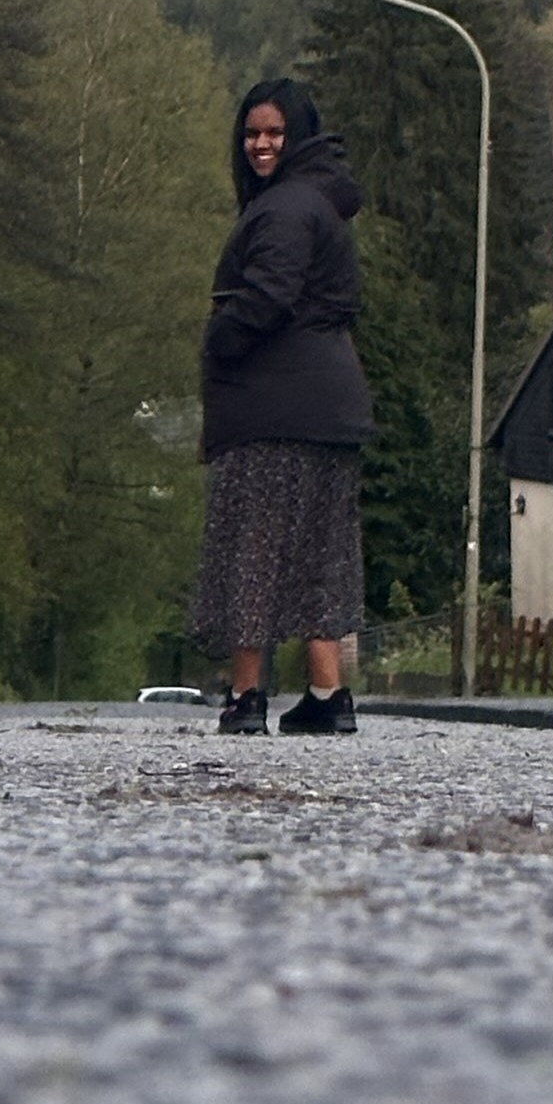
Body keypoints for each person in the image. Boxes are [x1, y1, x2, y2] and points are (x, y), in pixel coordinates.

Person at [192, 80, 373, 737]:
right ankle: (327, 694)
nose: (261, 144)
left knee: (256, 547)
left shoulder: (286, 209)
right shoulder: (318, 201)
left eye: (273, 133)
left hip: (275, 409)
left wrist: (220, 338)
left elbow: (269, 293)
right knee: (320, 552)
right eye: (251, 134)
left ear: (297, 137)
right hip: (330, 407)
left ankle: (247, 696)